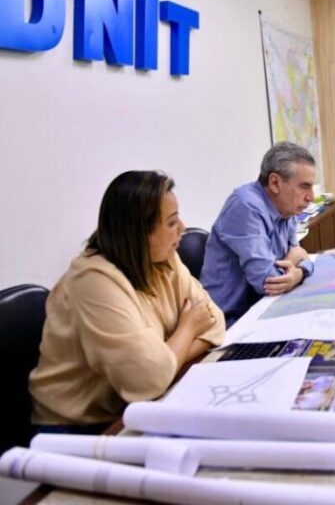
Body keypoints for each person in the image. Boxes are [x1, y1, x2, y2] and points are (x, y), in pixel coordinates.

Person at [29, 171, 225, 431]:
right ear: (139, 233)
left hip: (137, 402)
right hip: (79, 427)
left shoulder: (162, 258)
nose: (183, 227)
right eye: (171, 222)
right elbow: (149, 379)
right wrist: (188, 328)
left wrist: (167, 357)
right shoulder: (93, 280)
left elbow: (214, 320)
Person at [201, 142, 316, 323]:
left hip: (263, 309)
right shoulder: (246, 206)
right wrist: (296, 262)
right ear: (275, 183)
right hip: (229, 322)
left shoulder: (287, 207)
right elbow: (269, 282)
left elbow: (302, 258)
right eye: (304, 186)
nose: (311, 197)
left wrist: (300, 271)